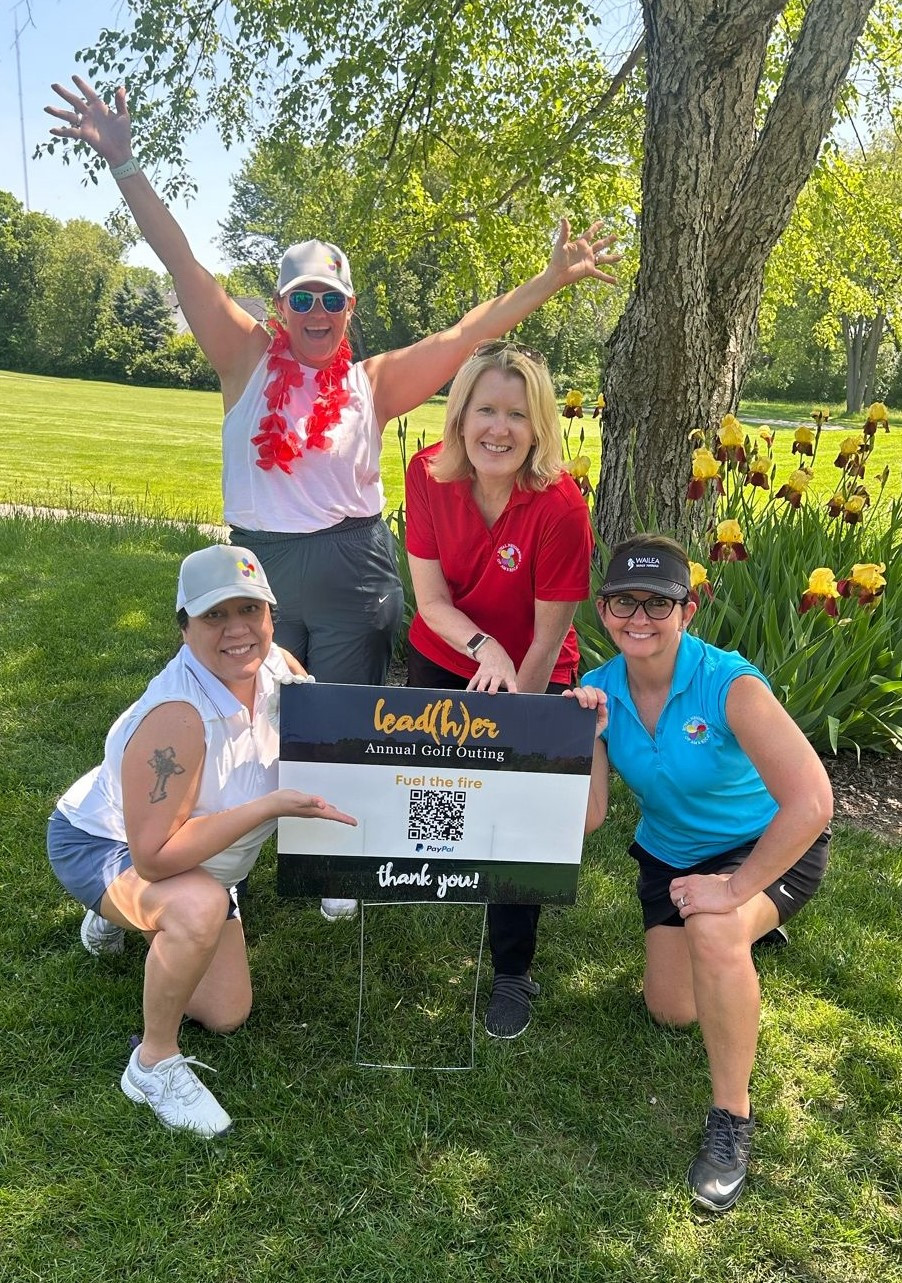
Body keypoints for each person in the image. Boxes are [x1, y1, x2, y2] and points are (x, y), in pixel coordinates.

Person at [47, 73, 619, 922]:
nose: (317, 311)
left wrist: (550, 282)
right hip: (260, 566)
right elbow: (181, 260)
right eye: (301, 298)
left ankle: (333, 852)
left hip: (354, 564)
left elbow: (468, 335)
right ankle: (172, 852)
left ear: (349, 308)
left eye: (332, 299)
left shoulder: (372, 381)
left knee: (341, 714)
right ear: (280, 307)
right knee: (243, 707)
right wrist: (128, 162)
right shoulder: (243, 359)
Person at [47, 545, 356, 1137]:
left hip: (208, 859)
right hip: (107, 841)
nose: (237, 630)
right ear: (184, 627)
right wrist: (268, 806)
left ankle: (138, 920)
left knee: (226, 1012)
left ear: (271, 614)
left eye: (251, 610)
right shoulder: (178, 717)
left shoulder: (279, 670)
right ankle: (152, 1063)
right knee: (196, 905)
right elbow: (156, 857)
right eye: (215, 616)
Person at [568, 534, 833, 1212]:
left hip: (766, 845)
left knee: (716, 930)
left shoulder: (729, 683)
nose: (641, 617)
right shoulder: (595, 692)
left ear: (688, 610)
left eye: (659, 603)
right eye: (626, 600)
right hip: (668, 854)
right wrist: (581, 741)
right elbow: (593, 816)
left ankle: (731, 1123)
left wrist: (735, 888)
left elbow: (811, 800)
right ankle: (739, 937)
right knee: (671, 1010)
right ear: (604, 609)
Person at [404, 341, 595, 1039]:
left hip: (537, 663)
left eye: (518, 413)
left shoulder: (562, 507)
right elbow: (430, 601)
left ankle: (513, 966)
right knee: (439, 792)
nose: (499, 427)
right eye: (486, 408)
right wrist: (482, 647)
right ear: (460, 416)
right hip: (450, 650)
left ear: (539, 426)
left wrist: (515, 722)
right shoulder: (426, 473)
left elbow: (546, 641)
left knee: (520, 811)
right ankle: (433, 876)